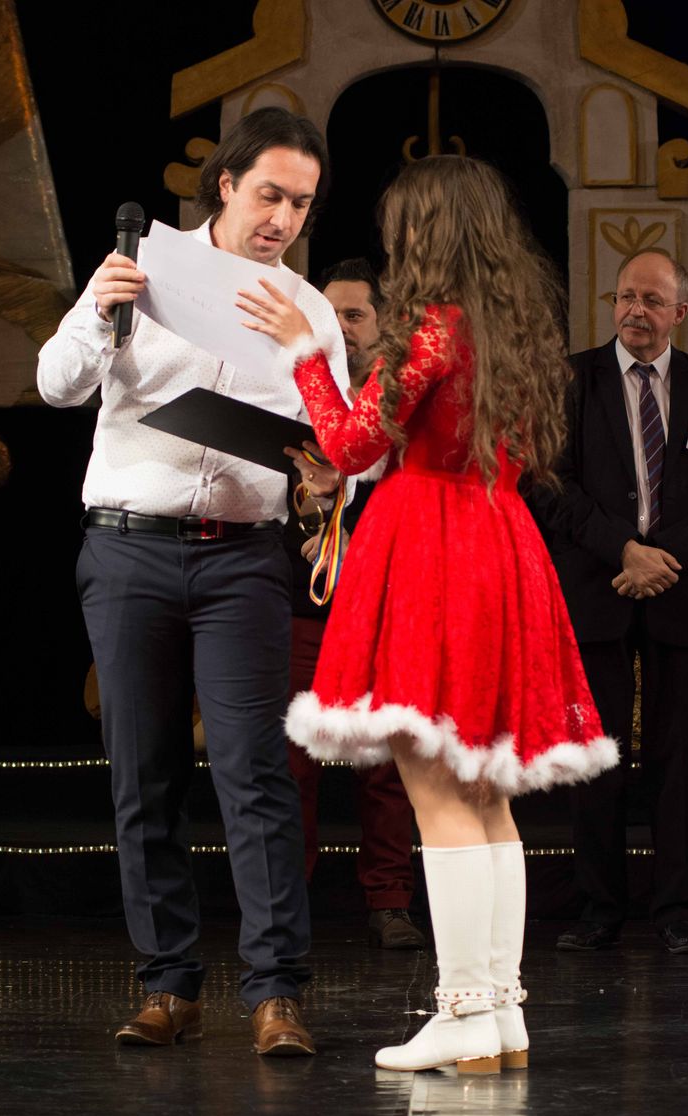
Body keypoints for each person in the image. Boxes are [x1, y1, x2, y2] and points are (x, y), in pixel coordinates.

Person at [237, 155, 618, 1073]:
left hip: (434, 552)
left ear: (431, 230)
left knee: (440, 791)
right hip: (497, 542)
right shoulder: (510, 326)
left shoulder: (437, 327)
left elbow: (348, 442)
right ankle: (500, 1014)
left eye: (405, 224)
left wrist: (304, 352)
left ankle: (463, 1014)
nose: (396, 240)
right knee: (485, 797)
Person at [37, 107, 350, 1056]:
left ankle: (276, 993)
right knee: (145, 774)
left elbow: (346, 449)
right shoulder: (141, 268)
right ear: (226, 185)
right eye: (269, 196)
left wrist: (327, 467)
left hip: (243, 557)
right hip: (130, 548)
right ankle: (167, 986)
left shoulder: (311, 310)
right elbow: (56, 384)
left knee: (256, 774)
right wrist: (100, 312)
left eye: (301, 204)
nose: (283, 219)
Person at [529, 248, 688, 955]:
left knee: (679, 761)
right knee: (597, 757)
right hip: (599, 588)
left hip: (682, 591)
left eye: (651, 300)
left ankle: (679, 911)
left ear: (680, 313)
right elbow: (548, 482)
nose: (635, 311)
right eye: (625, 298)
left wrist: (664, 560)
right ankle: (599, 908)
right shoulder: (569, 382)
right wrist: (624, 551)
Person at [286, 258, 424, 949]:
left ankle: (390, 900)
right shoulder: (289, 392)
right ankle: (287, 905)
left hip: (385, 608)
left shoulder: (403, 399)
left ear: (384, 322)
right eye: (329, 314)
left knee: (387, 766)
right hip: (299, 607)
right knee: (291, 765)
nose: (340, 328)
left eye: (355, 315)